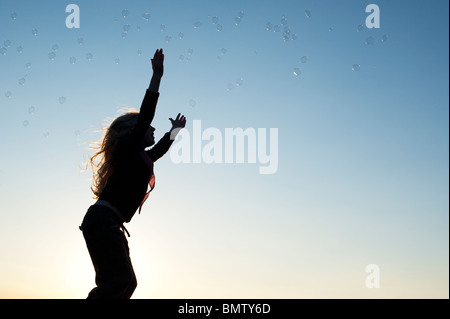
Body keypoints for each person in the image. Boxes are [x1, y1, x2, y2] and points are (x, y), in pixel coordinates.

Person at [80, 48, 186, 299]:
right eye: (148, 127)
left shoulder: (139, 158)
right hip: (103, 221)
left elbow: (160, 148)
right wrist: (157, 76)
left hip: (109, 223)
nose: (152, 128)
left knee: (127, 284)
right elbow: (147, 112)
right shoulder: (128, 150)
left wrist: (175, 131)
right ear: (133, 130)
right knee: (119, 281)